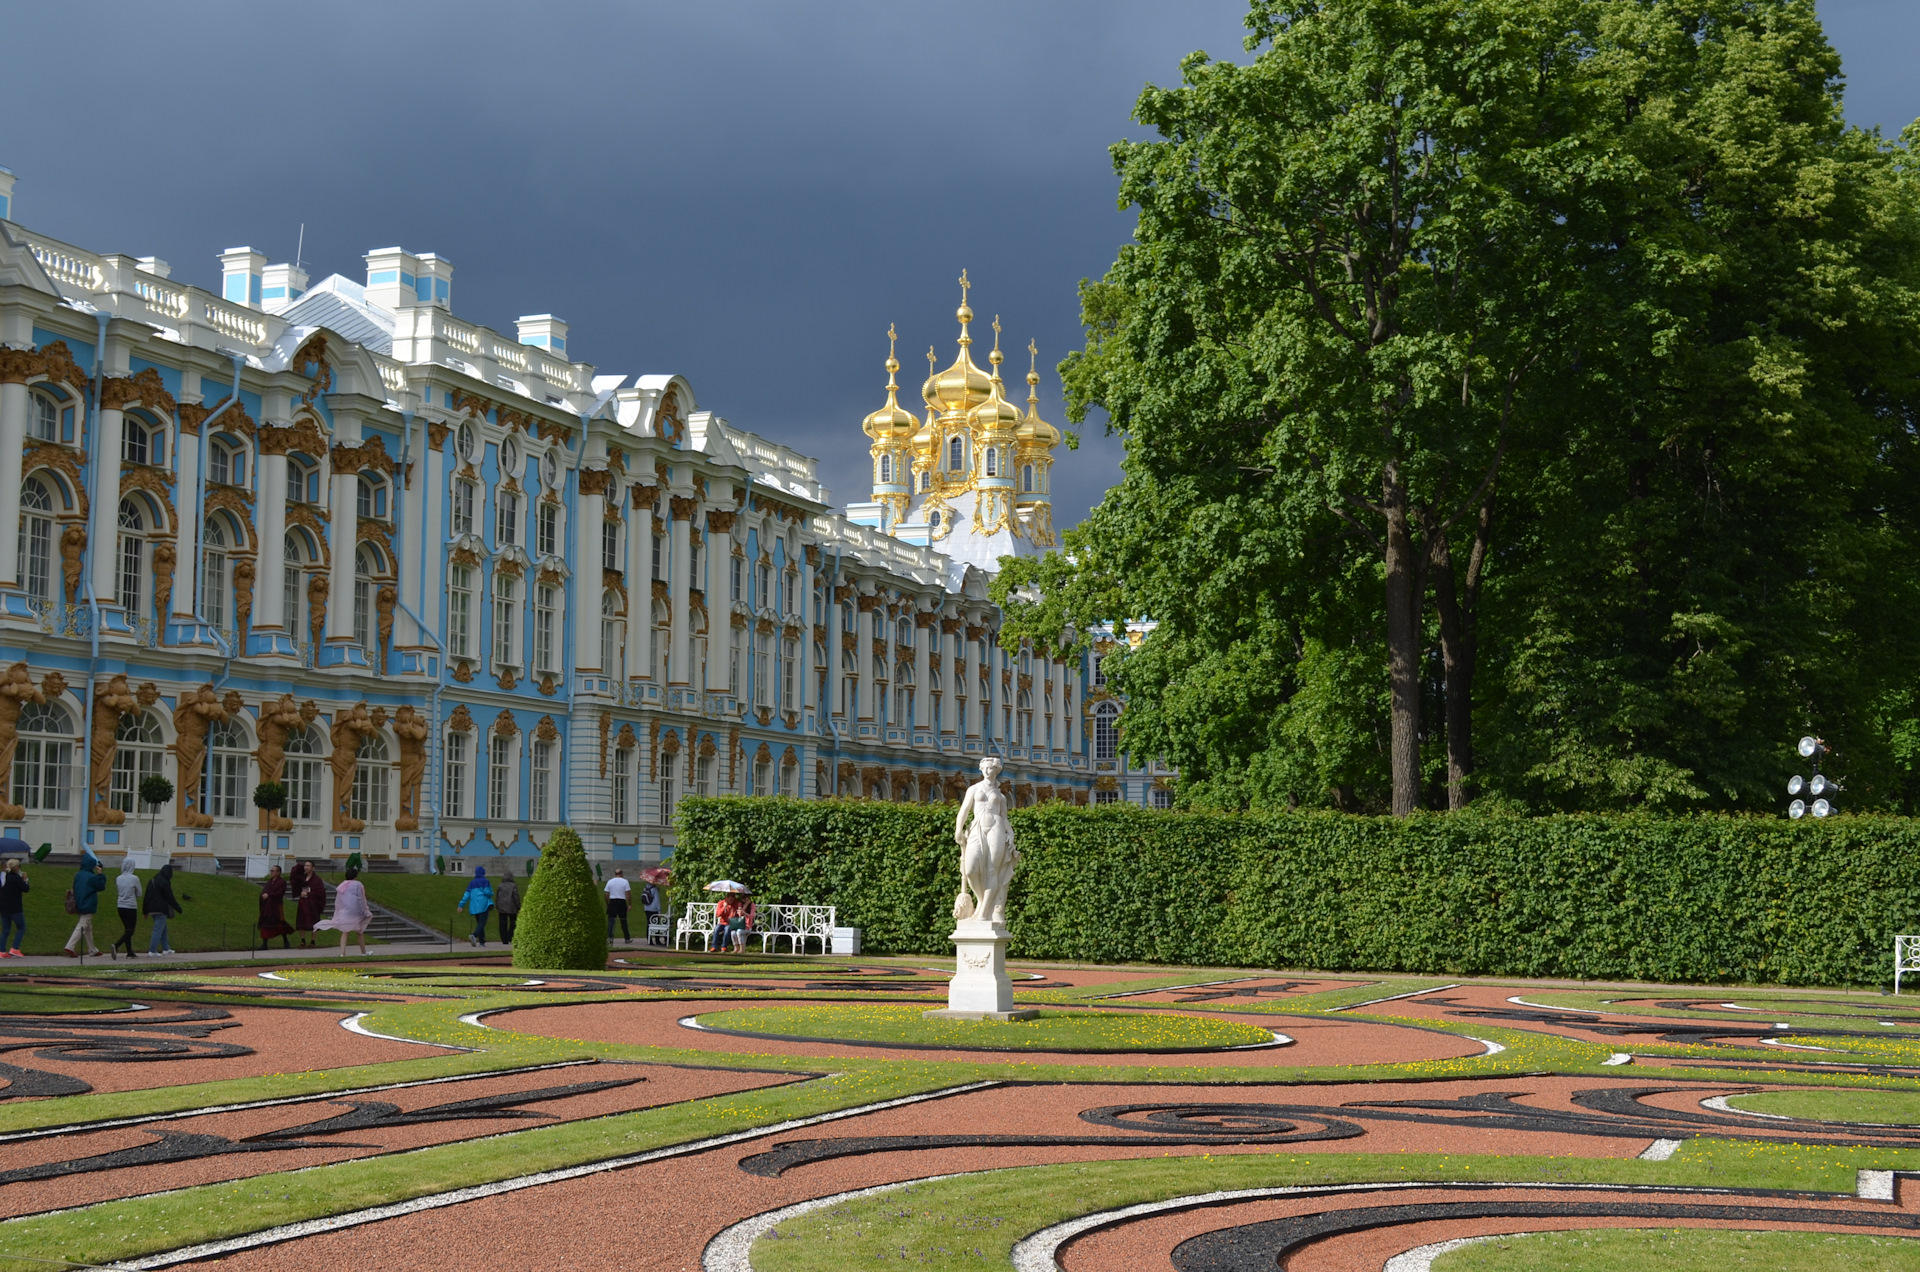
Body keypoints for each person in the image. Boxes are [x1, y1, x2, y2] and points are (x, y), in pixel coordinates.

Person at [316, 866, 371, 956]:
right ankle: (363, 952)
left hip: (346, 910)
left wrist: (340, 911)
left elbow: (339, 900)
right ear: (355, 876)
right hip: (355, 911)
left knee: (345, 931)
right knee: (360, 931)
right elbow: (361, 899)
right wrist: (364, 910)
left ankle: (342, 953)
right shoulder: (358, 884)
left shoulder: (342, 885)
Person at [63, 852, 107, 959]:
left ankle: (92, 949)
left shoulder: (78, 875)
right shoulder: (92, 877)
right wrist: (100, 874)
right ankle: (70, 946)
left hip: (79, 902)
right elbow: (101, 886)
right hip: (89, 903)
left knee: (88, 927)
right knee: (83, 925)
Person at [143, 863, 182, 955]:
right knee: (158, 930)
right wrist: (178, 908)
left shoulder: (152, 881)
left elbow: (146, 897)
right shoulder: (165, 882)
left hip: (151, 909)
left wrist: (145, 911)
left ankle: (166, 948)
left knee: (163, 928)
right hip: (161, 909)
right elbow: (170, 897)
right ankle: (152, 951)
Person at [258, 865, 293, 950]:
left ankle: (286, 941)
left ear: (278, 872)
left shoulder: (282, 882)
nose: (271, 872)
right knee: (265, 924)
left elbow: (279, 893)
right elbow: (265, 891)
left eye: (273, 871)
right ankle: (264, 944)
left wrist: (269, 895)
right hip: (267, 907)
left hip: (276, 907)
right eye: (271, 871)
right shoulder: (269, 882)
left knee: (280, 924)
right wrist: (263, 896)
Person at [293, 862, 326, 948]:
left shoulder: (317, 880)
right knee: (301, 922)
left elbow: (320, 893)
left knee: (314, 923)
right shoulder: (302, 878)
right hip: (303, 902)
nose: (306, 867)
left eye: (308, 866)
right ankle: (303, 941)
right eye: (305, 866)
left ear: (313, 868)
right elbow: (294, 873)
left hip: (313, 904)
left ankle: (313, 941)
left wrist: (309, 894)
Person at [113, 858, 141, 958]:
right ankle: (116, 945)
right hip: (131, 906)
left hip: (120, 906)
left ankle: (129, 951)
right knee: (131, 930)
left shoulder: (118, 878)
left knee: (127, 929)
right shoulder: (134, 878)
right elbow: (139, 893)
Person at [0, 859, 28, 957]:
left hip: (4, 908)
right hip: (15, 908)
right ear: (16, 867)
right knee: (21, 927)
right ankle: (15, 948)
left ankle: (2, 951)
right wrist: (25, 880)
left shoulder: (5, 877)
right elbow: (26, 889)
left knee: (5, 930)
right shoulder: (16, 878)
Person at [460, 866, 494, 947]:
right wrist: (491, 893)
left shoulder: (471, 883)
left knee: (479, 923)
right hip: (483, 904)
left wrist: (461, 905)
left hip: (474, 906)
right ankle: (474, 935)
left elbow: (467, 894)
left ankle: (482, 942)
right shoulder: (485, 881)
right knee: (482, 923)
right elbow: (487, 892)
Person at [605, 868, 632, 944]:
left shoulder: (610, 882)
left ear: (615, 874)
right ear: (622, 874)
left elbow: (606, 894)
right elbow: (628, 894)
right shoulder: (625, 882)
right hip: (621, 902)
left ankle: (609, 937)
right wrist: (629, 904)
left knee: (611, 921)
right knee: (623, 921)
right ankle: (627, 938)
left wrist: (607, 904)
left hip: (613, 901)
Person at [494, 872, 520, 945]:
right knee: (513, 922)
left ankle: (504, 939)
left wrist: (497, 906)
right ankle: (510, 936)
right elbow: (516, 897)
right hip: (511, 907)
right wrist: (518, 906)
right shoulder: (513, 886)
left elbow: (497, 897)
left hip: (501, 906)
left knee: (502, 923)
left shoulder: (500, 885)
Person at [640, 877, 662, 945]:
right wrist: (659, 911)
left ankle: (649, 939)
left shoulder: (645, 888)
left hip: (647, 909)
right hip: (654, 909)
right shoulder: (655, 889)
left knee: (649, 924)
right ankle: (657, 940)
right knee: (656, 925)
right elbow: (657, 901)